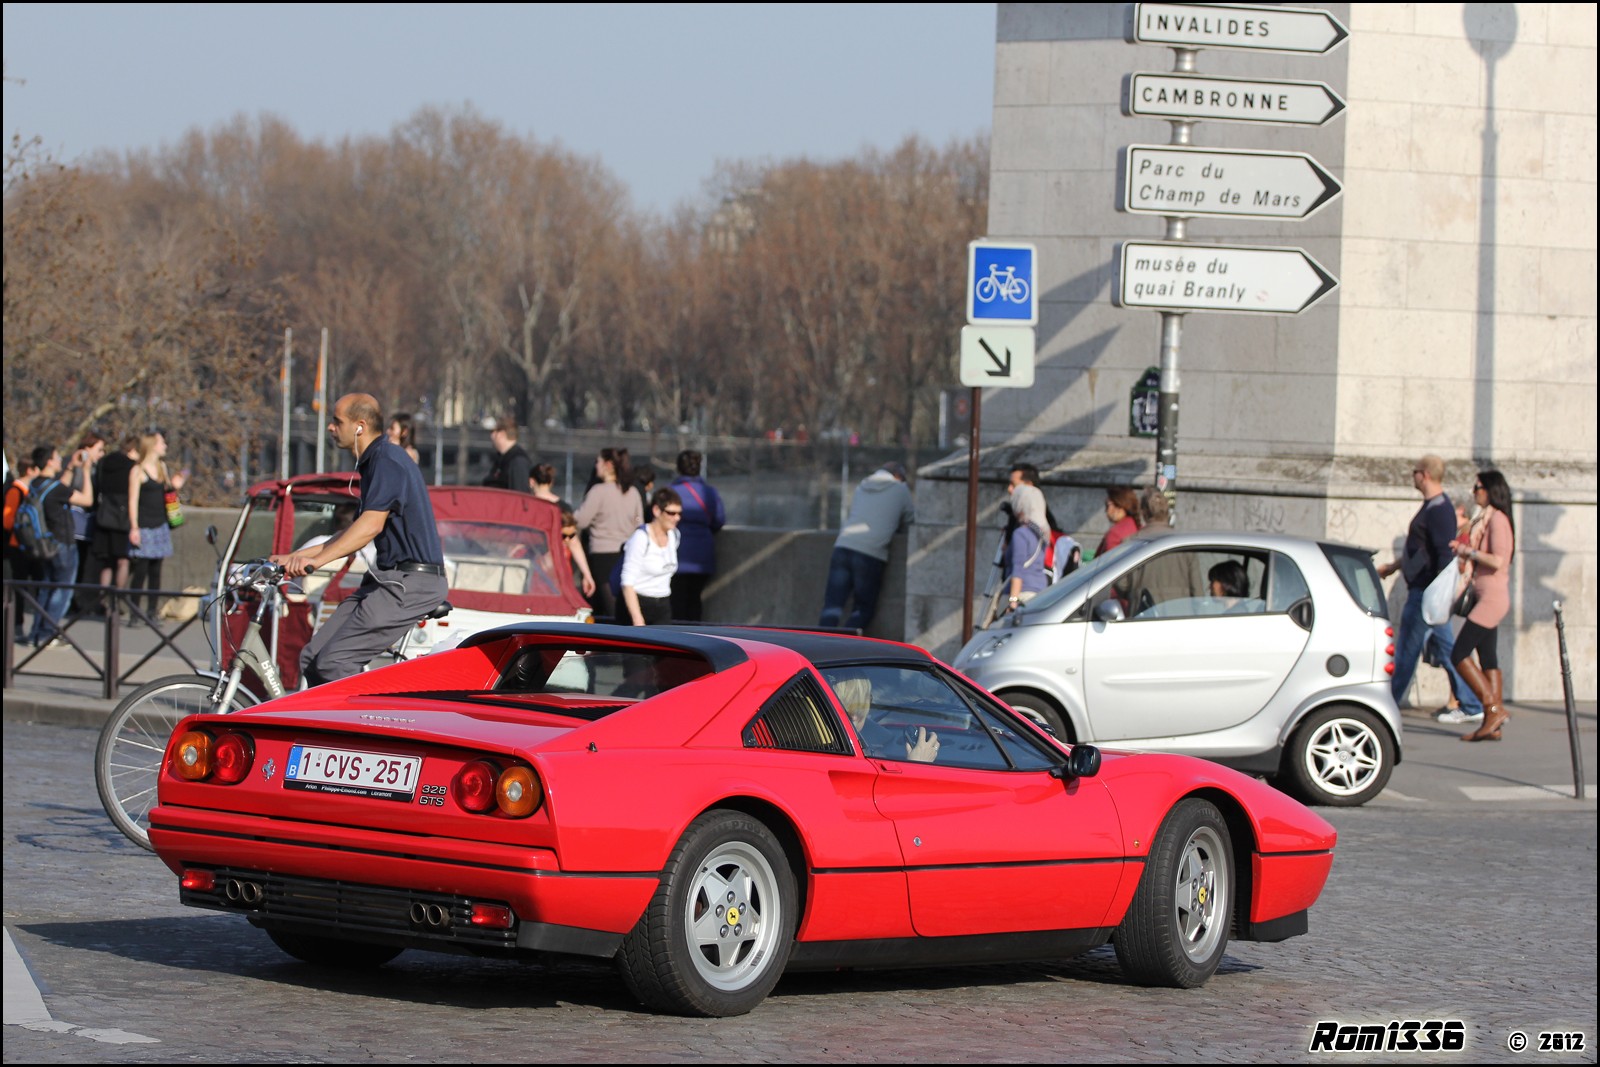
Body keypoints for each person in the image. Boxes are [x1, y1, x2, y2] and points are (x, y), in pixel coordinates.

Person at [273, 393, 447, 687]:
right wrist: (291, 558)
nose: (330, 427)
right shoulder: (374, 462)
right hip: (389, 579)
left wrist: (315, 562)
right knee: (313, 659)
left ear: (359, 426)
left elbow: (369, 526)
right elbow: (351, 532)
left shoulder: (387, 461)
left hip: (412, 584)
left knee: (335, 663)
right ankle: (325, 731)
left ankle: (371, 728)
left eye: (336, 421)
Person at [1376, 455, 1483, 723]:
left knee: (1406, 652)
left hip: (1426, 593)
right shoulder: (1433, 507)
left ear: (1423, 475)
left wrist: (1438, 593)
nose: (1413, 477)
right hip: (1426, 591)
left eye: (1414, 472)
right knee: (1447, 650)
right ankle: (1472, 703)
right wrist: (1394, 566)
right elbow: (1421, 551)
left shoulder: (1439, 509)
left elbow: (1442, 556)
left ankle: (1385, 706)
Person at [1453, 471, 1516, 742]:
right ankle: (1494, 724)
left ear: (1490, 489)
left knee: (1459, 653)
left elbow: (1499, 561)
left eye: (1477, 487)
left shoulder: (1498, 520)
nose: (1473, 491)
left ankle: (1492, 709)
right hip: (1485, 595)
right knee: (1488, 657)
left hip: (1492, 597)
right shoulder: (1485, 518)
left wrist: (1467, 551)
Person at [818, 461, 914, 631]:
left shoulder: (862, 486)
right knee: (863, 608)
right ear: (898, 476)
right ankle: (846, 646)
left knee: (832, 605)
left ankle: (820, 644)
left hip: (843, 545)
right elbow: (910, 522)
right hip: (870, 553)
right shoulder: (901, 490)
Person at [25, 445, 94, 647]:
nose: (59, 461)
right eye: (56, 458)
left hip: (43, 542)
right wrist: (86, 470)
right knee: (62, 590)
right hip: (63, 542)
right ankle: (47, 633)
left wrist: (72, 467)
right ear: (49, 462)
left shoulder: (37, 485)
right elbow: (87, 499)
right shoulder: (56, 488)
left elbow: (60, 488)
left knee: (47, 588)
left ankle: (36, 633)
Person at [574, 447, 643, 620]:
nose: (596, 466)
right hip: (625, 554)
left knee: (606, 607)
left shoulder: (598, 491)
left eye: (597, 462)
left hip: (601, 555)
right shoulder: (632, 492)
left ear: (608, 465)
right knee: (620, 606)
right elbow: (639, 525)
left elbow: (581, 520)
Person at [127, 432, 186, 624]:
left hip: (160, 523)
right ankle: (134, 612)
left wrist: (175, 485)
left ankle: (152, 611)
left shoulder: (162, 467)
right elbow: (133, 500)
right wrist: (134, 527)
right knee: (141, 570)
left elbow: (167, 493)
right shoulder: (137, 471)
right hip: (144, 525)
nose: (165, 445)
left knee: (156, 570)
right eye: (161, 442)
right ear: (152, 445)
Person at [668, 450, 726, 622]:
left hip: (677, 553)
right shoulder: (710, 492)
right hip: (703, 553)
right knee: (695, 600)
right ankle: (695, 638)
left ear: (679, 468)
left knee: (676, 602)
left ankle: (676, 640)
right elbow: (719, 520)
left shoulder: (671, 492)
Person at [831, 674, 938, 763]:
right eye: (867, 699)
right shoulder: (844, 758)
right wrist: (918, 762)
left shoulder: (829, 747)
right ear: (854, 715)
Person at [618, 487, 681, 626]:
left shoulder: (674, 535)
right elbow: (627, 581)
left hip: (662, 604)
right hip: (638, 603)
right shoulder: (641, 538)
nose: (677, 518)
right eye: (671, 513)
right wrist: (637, 618)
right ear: (657, 511)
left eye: (679, 513)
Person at [92, 435, 140, 614]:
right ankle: (116, 602)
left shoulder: (104, 462)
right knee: (122, 561)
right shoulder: (131, 467)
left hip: (104, 515)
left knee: (106, 562)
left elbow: (97, 485)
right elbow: (133, 495)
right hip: (122, 517)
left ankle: (102, 600)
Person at [1000, 483, 1049, 615]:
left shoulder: (1020, 534)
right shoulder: (1042, 534)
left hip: (1022, 595)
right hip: (1039, 592)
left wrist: (1012, 601)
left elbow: (1018, 570)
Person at [482, 417, 532, 493]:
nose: (491, 436)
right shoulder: (501, 459)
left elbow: (519, 495)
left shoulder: (518, 461)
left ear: (501, 434)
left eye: (493, 432)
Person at [558, 506, 596, 599]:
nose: (567, 540)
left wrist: (587, 576)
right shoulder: (544, 543)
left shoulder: (570, 542)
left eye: (571, 535)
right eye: (563, 536)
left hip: (566, 584)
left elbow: (575, 546)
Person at [1097, 485, 1141, 557]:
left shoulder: (1115, 534)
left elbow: (1109, 564)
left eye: (1107, 505)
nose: (1106, 511)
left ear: (1120, 504)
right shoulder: (1136, 526)